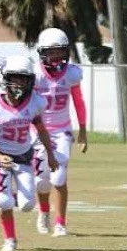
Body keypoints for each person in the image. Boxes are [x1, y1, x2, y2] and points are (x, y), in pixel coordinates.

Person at [0, 56, 59, 251]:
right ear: (6, 78)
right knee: (4, 201)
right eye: (15, 78)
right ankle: (10, 240)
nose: (19, 83)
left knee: (27, 205)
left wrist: (51, 154)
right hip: (1, 157)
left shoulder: (34, 103)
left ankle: (7, 192)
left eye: (24, 79)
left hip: (23, 157)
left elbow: (41, 131)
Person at [31, 28, 88, 237]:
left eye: (60, 51)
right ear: (42, 52)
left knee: (59, 177)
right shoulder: (35, 74)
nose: (56, 56)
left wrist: (82, 130)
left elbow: (79, 101)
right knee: (41, 181)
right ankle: (44, 212)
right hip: (37, 131)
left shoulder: (71, 73)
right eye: (51, 52)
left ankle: (60, 223)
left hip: (62, 130)